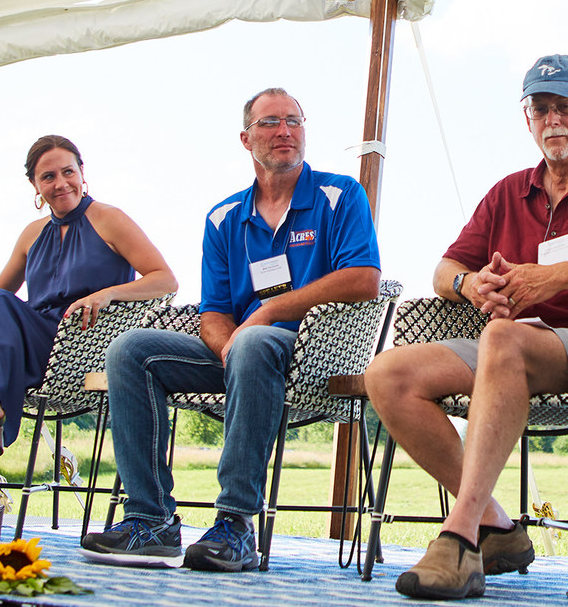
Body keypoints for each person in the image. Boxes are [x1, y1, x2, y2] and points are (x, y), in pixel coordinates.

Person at [367, 54, 568, 600]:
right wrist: (470, 286)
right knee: (388, 373)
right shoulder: (509, 191)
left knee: (502, 337)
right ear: (527, 119)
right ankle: (498, 528)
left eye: (565, 106)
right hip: (504, 347)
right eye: (541, 109)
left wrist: (554, 278)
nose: (553, 119)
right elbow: (445, 269)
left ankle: (459, 534)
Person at [81, 87, 381, 572]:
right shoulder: (223, 218)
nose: (284, 131)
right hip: (242, 353)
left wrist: (265, 315)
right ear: (246, 139)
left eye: (293, 121)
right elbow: (215, 312)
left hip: (318, 352)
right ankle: (150, 520)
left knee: (257, 339)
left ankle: (237, 524)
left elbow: (364, 279)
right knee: (129, 350)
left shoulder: (340, 194)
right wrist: (228, 348)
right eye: (269, 123)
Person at [0, 135, 178, 533]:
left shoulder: (110, 218)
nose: (61, 183)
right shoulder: (31, 233)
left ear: (83, 174)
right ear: (35, 187)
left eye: (68, 172)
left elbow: (165, 280)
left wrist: (109, 293)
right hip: (34, 338)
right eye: (49, 176)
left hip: (82, 343)